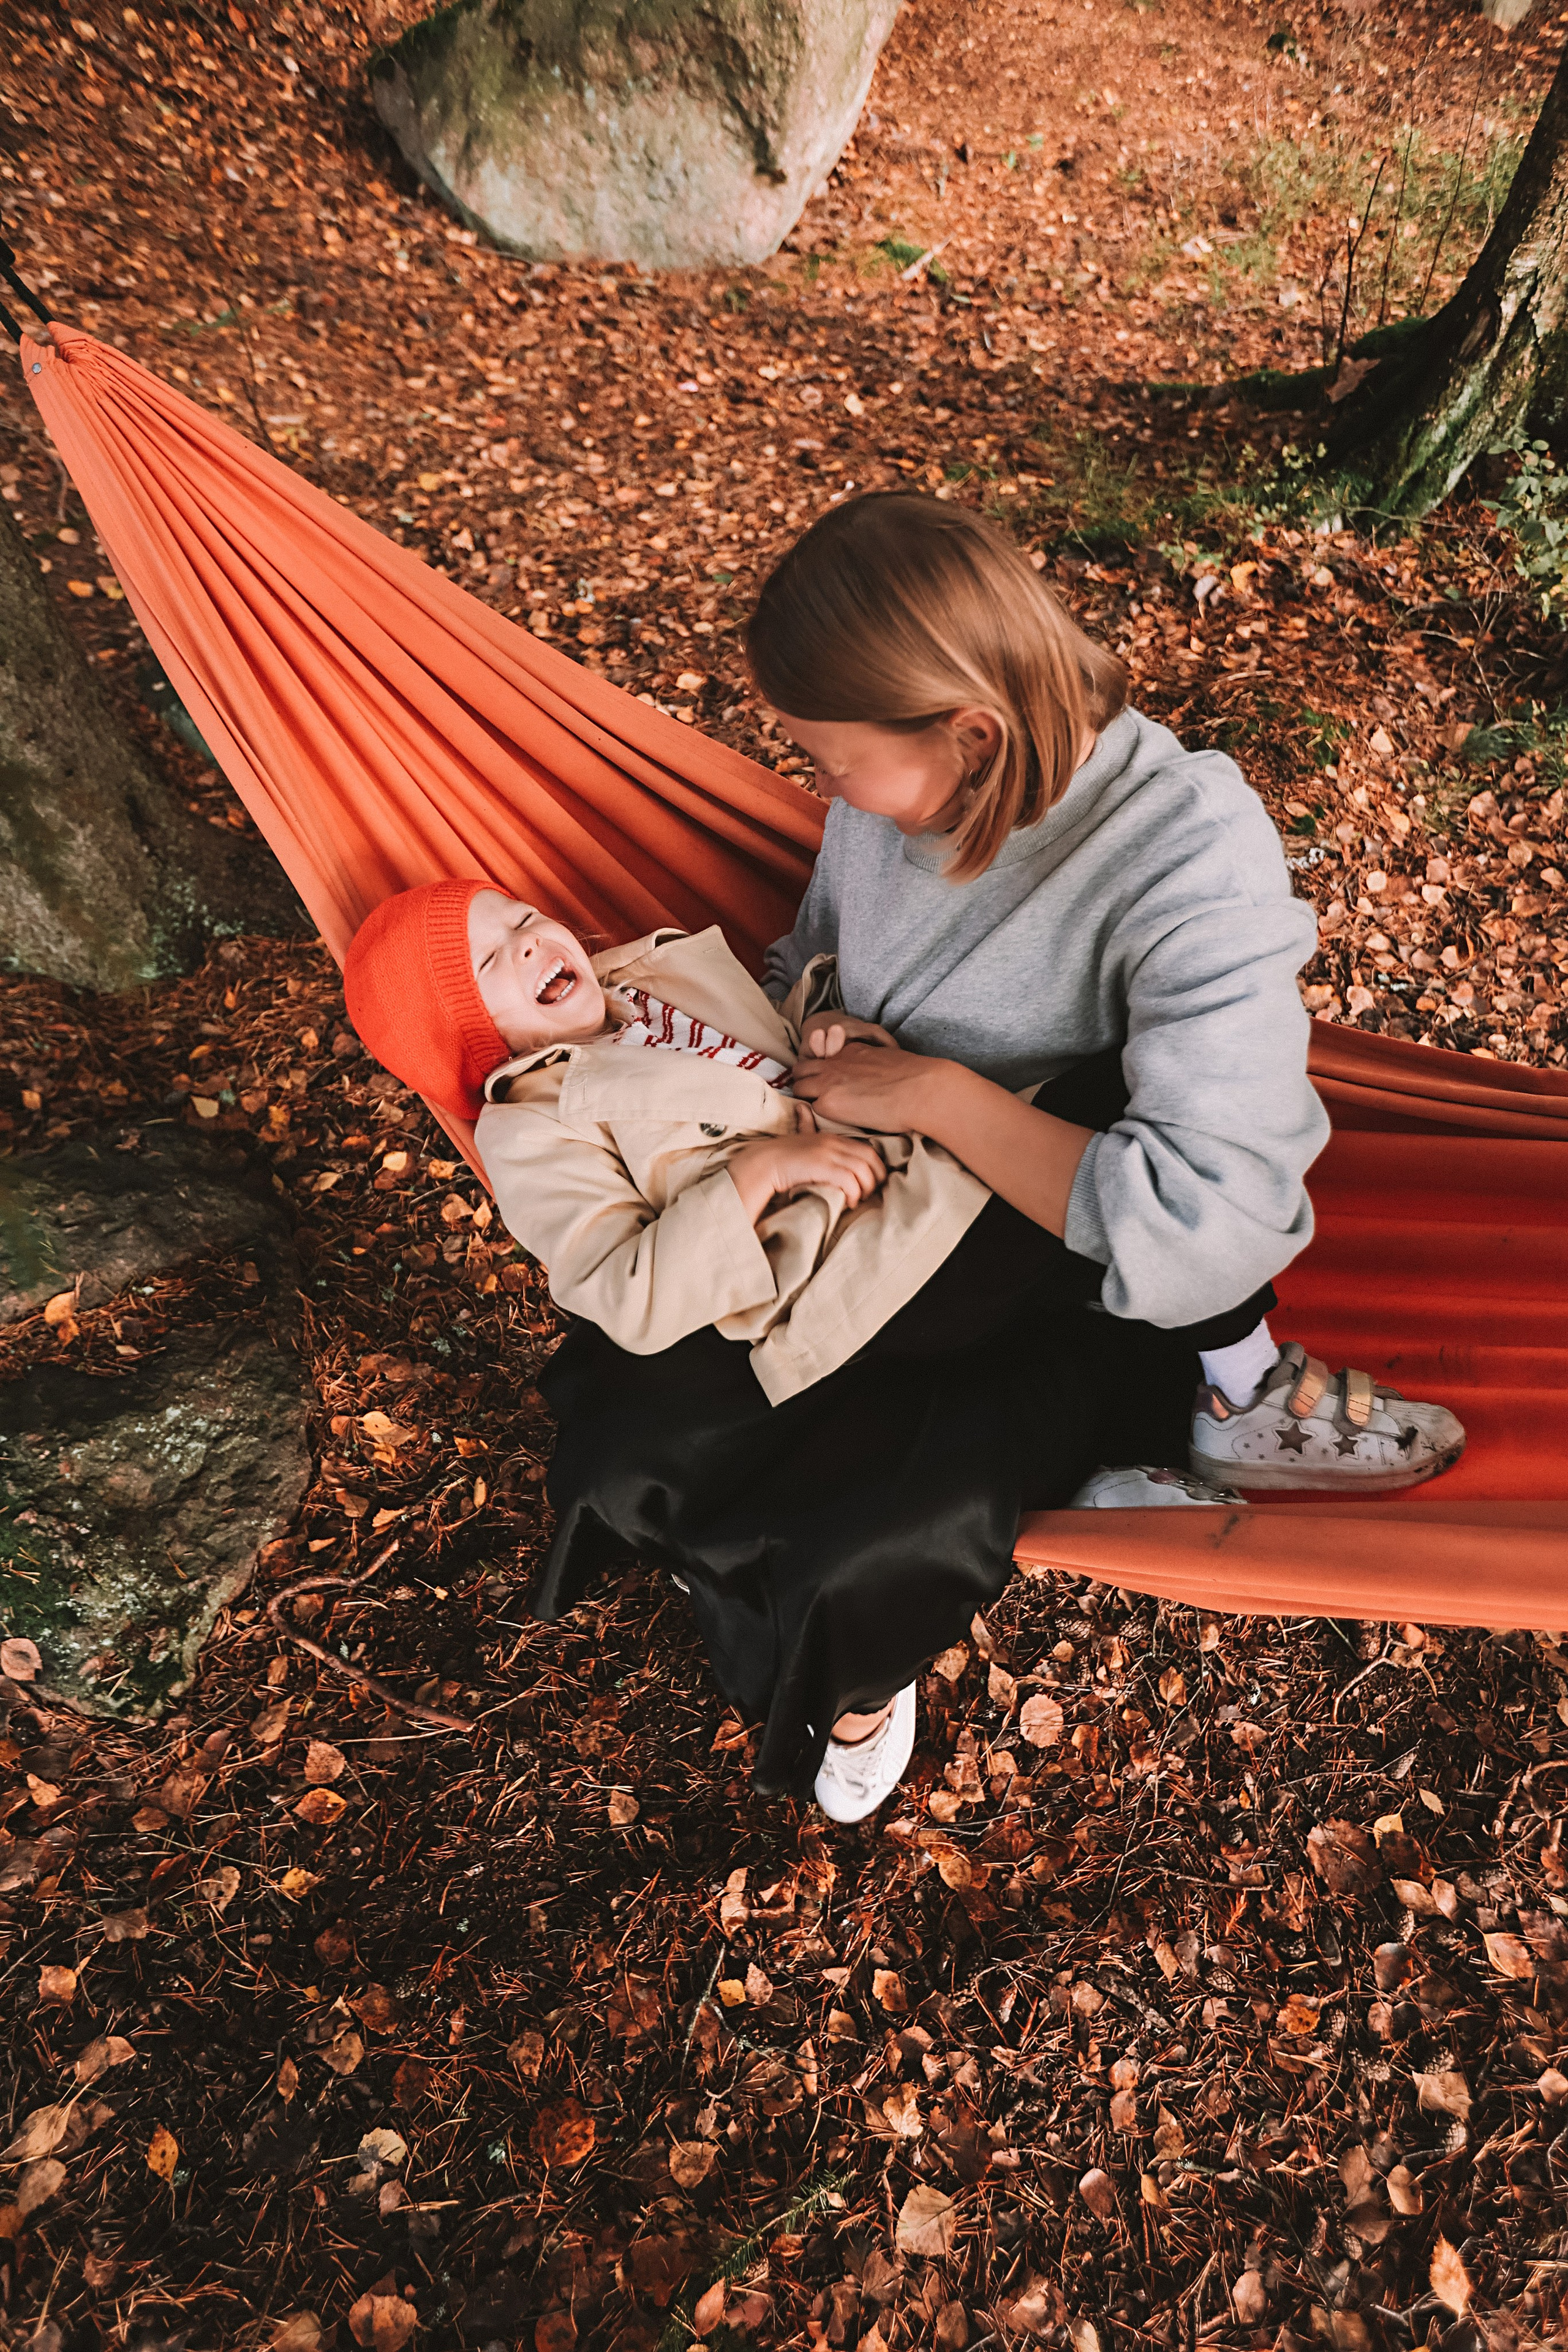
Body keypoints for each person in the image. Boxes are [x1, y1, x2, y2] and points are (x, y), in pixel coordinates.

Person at [342, 877, 1230, 1824]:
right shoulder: (533, 1122)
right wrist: (758, 1177)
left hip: (898, 1169)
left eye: (521, 921)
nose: (527, 946)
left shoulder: (651, 974)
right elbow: (624, 1291)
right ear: (477, 1039)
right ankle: (1232, 1375)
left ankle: (1160, 1395)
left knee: (1130, 1103)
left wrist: (822, 1028)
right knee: (1106, 1157)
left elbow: (764, 1051)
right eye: (490, 965)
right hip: (848, 1272)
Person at [751, 492, 1464, 1506]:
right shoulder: (883, 814)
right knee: (636, 1434)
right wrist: (822, 1021)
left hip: (1009, 1241)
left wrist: (935, 1096)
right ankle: (1099, 1438)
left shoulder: (1184, 853)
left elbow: (1209, 1218)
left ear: (974, 737)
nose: (825, 793)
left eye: (833, 763)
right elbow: (806, 955)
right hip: (849, 1205)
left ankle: (1231, 1393)